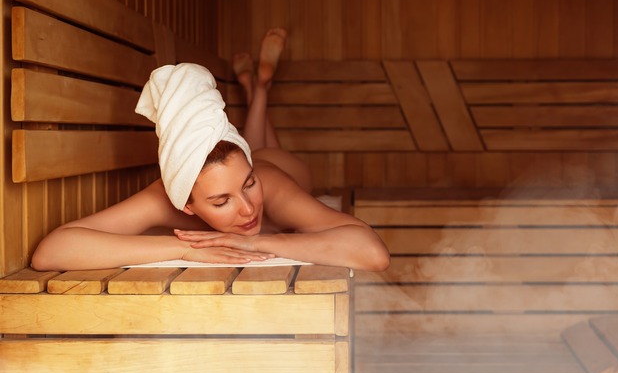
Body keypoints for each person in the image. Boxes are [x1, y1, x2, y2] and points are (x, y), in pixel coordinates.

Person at [30, 29, 390, 272]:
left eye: (248, 185)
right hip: (251, 158)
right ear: (186, 204)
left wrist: (256, 243)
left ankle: (259, 89)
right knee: (254, 151)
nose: (248, 209)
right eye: (221, 202)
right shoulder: (165, 198)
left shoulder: (273, 186)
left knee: (264, 154)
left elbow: (372, 252)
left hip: (280, 167)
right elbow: (52, 251)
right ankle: (257, 86)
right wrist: (185, 249)